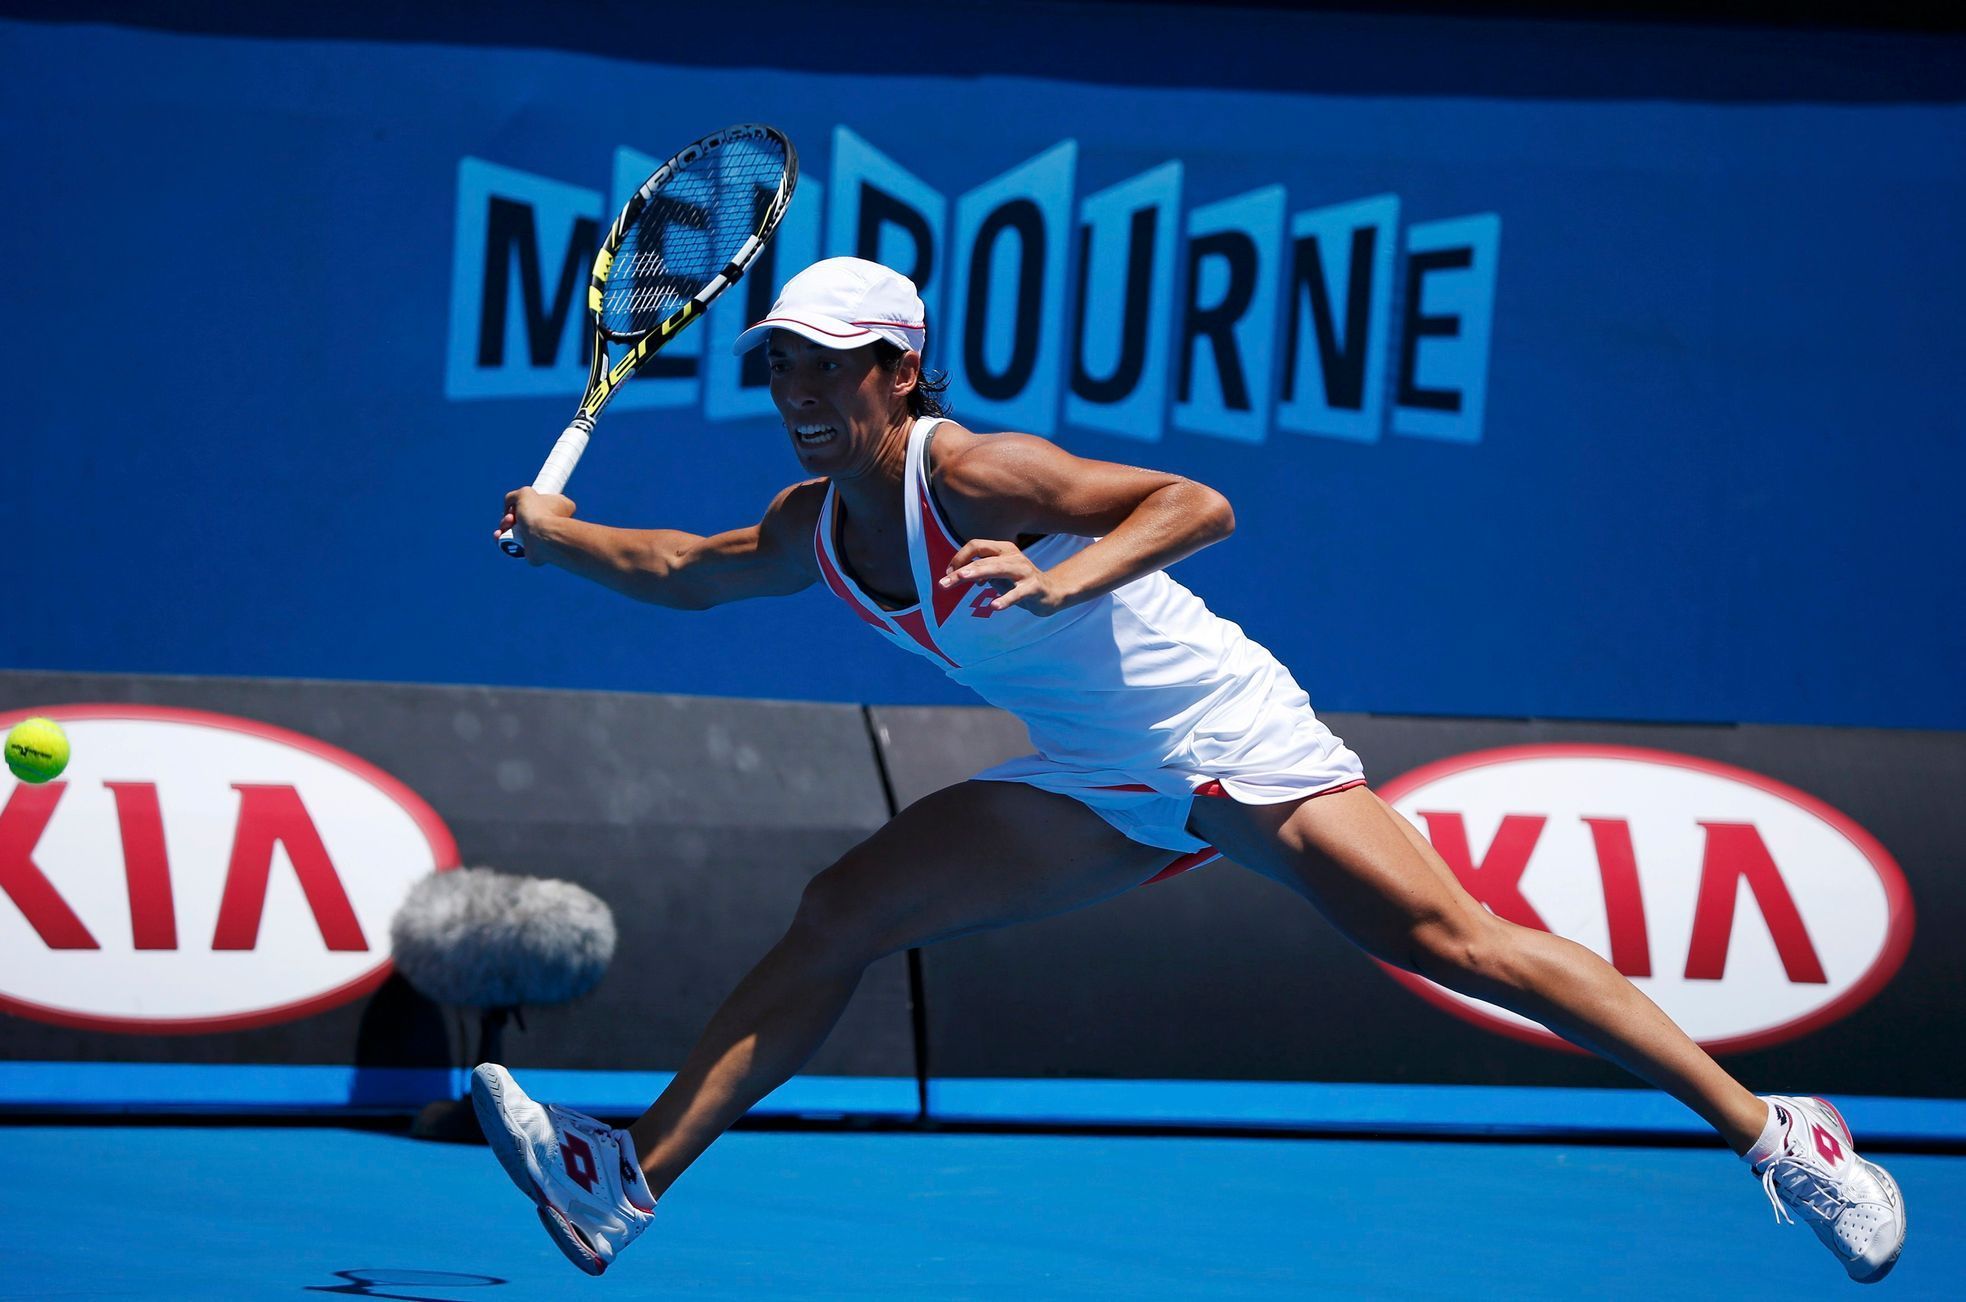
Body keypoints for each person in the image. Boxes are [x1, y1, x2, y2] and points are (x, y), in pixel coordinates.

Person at [474, 256, 1905, 1282]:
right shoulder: (812, 525)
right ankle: (624, 1178)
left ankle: (1781, 1135)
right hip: (1098, 774)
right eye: (782, 361)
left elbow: (1195, 502)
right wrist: (555, 535)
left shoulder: (971, 471)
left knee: (1456, 942)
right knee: (843, 909)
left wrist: (1063, 578)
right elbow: (682, 566)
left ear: (898, 372)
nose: (799, 387)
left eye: (830, 363)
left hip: (1230, 737)